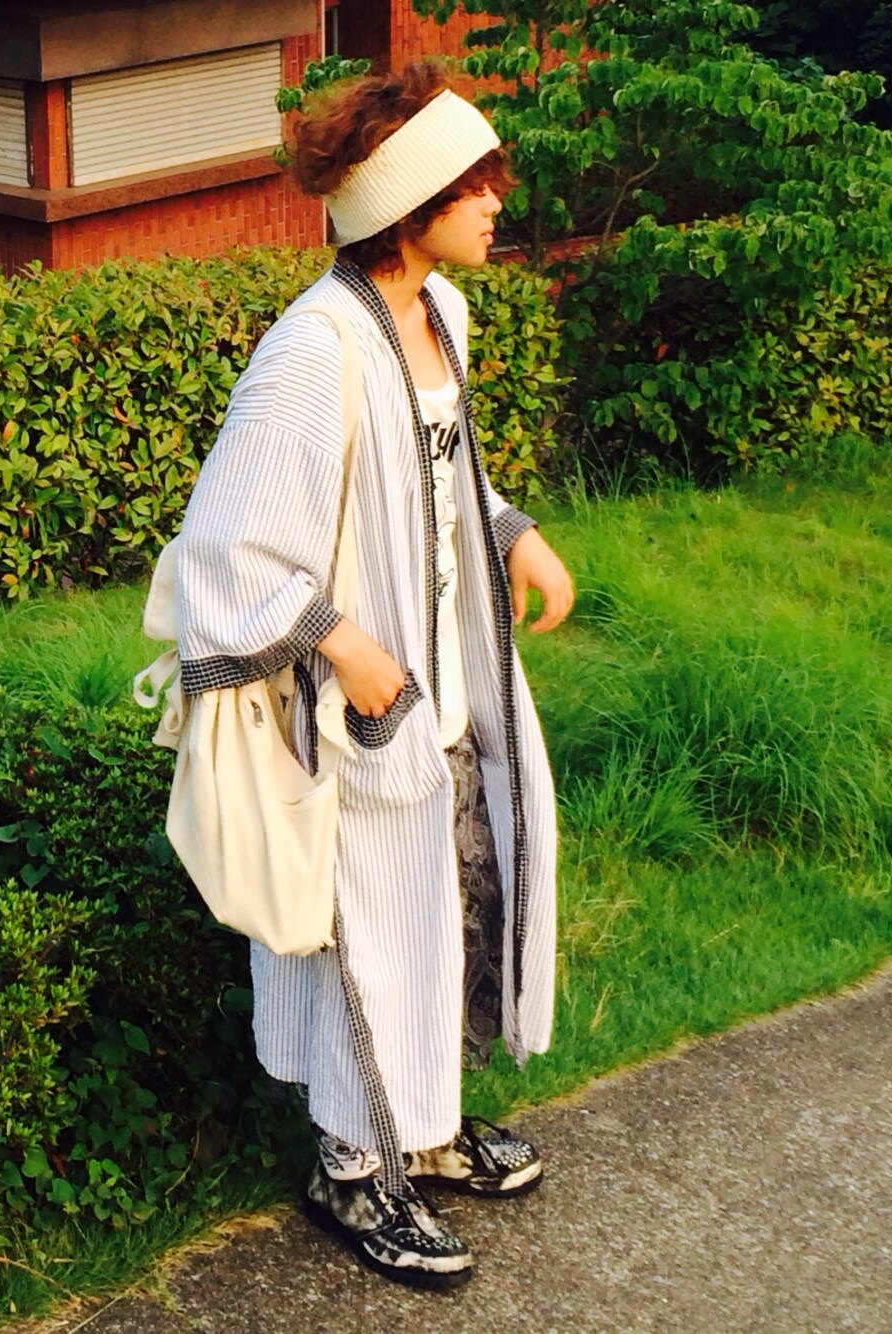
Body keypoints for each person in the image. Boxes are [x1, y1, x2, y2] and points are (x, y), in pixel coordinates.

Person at [176, 60, 575, 1290]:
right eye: (475, 185)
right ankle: (352, 1165)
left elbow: (434, 470)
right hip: (355, 695)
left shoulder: (439, 313)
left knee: (442, 900)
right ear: (409, 203)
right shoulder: (314, 350)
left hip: (444, 676)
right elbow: (226, 544)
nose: (497, 203)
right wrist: (348, 649)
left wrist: (509, 529)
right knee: (365, 918)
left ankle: (427, 1126)